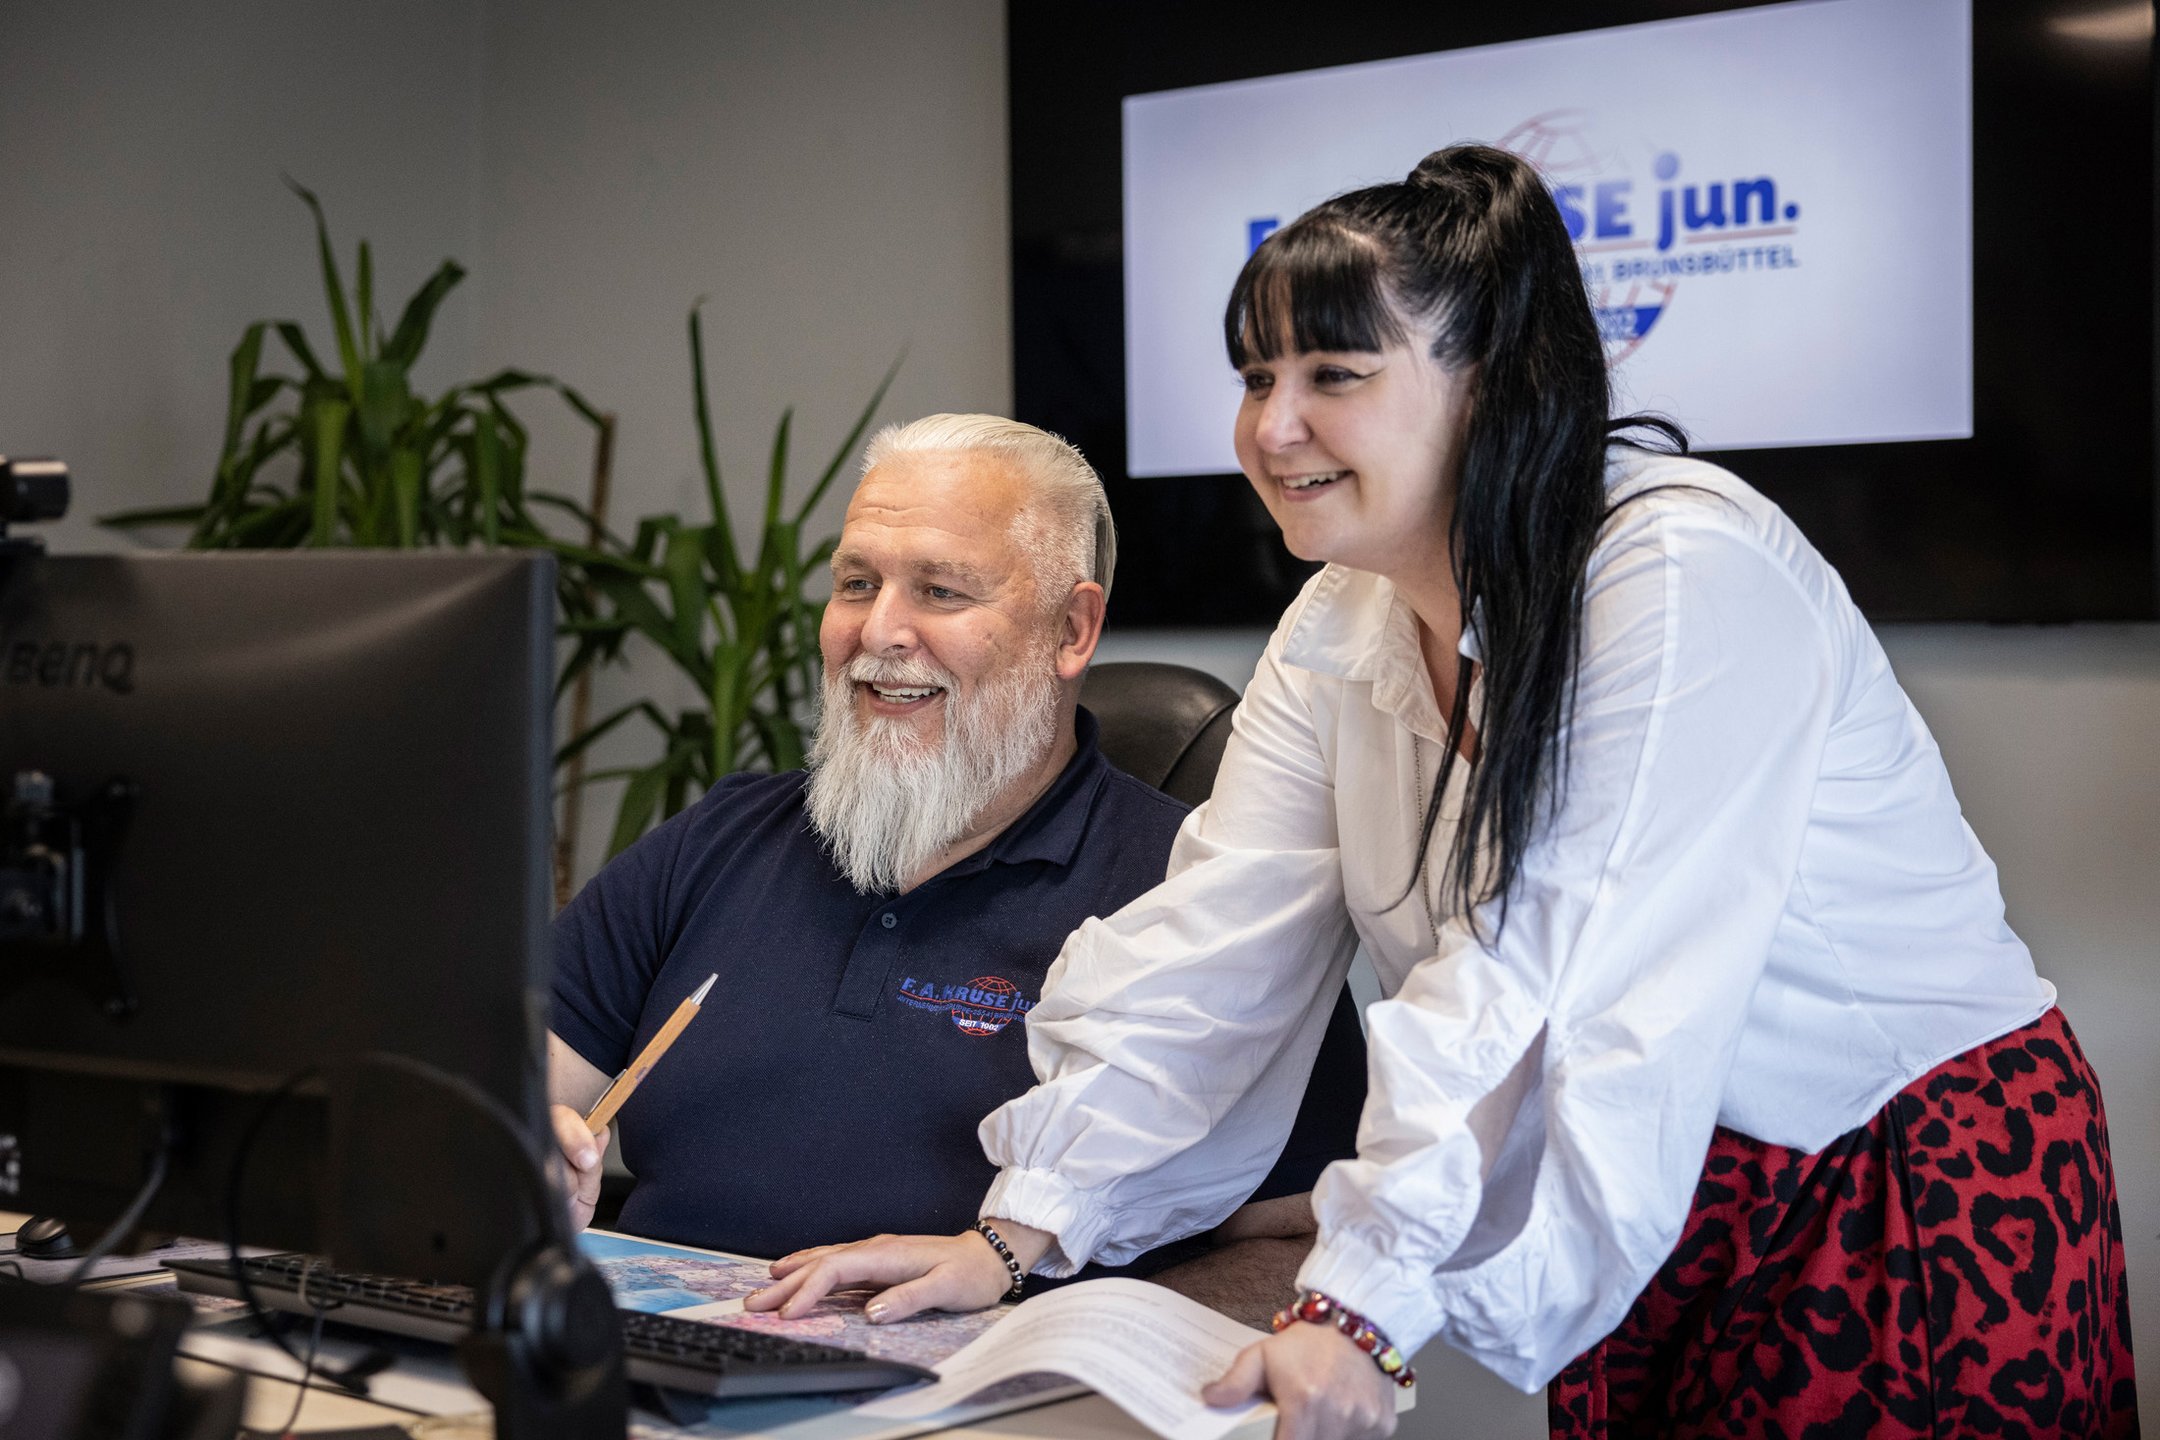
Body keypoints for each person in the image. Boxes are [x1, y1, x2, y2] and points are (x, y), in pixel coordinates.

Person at [746, 149, 2137, 1439]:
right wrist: (1017, 1235)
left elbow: (1547, 971)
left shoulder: (1677, 576)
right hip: (1662, 1187)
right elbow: (1221, 948)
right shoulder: (1340, 619)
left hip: (1882, 1176)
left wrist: (1362, 1302)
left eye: (1334, 373)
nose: (1272, 425)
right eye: (1255, 375)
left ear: (1493, 383)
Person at [546, 413, 1362, 1316]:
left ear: (1072, 630)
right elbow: (506, 1092)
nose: (879, 630)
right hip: (645, 1356)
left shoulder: (1207, 893)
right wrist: (525, 1147)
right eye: (857, 583)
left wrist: (1053, 1340)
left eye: (940, 591)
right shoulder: (720, 840)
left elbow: (1308, 1247)